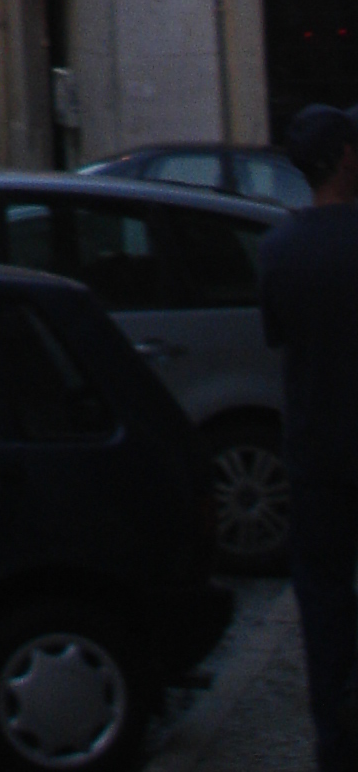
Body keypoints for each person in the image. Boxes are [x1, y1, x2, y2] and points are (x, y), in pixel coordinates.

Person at [257, 104, 358, 772]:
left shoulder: (279, 248)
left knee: (322, 607)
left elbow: (278, 336)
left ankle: (336, 744)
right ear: (345, 158)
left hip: (317, 451)